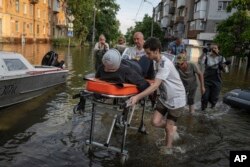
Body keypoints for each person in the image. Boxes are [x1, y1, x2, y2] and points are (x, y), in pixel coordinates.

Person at [128, 37, 186, 151]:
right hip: (165, 97)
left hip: (176, 99)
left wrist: (137, 97)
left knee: (168, 128)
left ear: (157, 51)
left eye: (148, 53)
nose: (146, 55)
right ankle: (172, 128)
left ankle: (168, 149)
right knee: (155, 122)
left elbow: (155, 85)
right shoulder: (155, 62)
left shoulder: (164, 64)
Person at [200, 44, 228, 111]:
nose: (214, 49)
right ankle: (203, 111)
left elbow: (226, 71)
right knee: (205, 97)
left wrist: (222, 67)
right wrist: (203, 53)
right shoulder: (206, 57)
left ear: (218, 50)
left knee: (214, 98)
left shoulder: (222, 58)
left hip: (217, 81)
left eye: (215, 48)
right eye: (212, 48)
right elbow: (200, 64)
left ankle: (211, 111)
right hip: (206, 80)